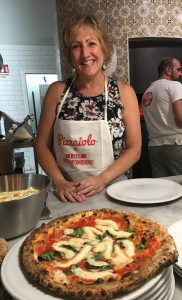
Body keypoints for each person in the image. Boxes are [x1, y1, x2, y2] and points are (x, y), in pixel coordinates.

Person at [35, 14, 141, 203]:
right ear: (70, 54)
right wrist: (59, 182)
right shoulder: (57, 92)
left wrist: (102, 179)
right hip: (67, 194)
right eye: (76, 46)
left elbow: (134, 149)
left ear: (104, 48)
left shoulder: (124, 93)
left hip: (114, 191)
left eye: (91, 43)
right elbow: (42, 145)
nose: (85, 54)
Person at [142, 57, 182, 177]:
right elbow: (180, 118)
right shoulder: (175, 85)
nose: (181, 73)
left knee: (164, 190)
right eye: (179, 69)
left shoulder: (147, 92)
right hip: (175, 146)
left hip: (154, 148)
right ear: (168, 70)